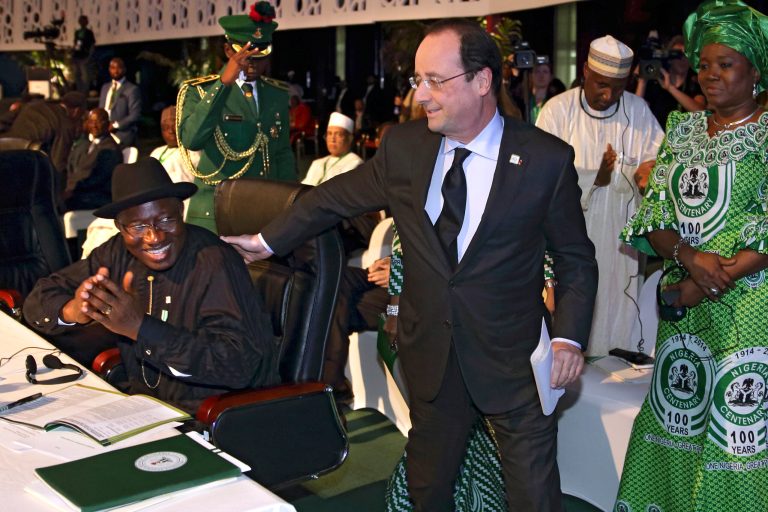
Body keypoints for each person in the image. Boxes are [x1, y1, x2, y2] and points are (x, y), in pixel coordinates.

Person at [223, 18, 597, 511]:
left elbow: (576, 259)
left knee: (532, 491)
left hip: (512, 358)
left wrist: (569, 338)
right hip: (432, 355)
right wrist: (269, 240)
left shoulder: (545, 159)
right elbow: (332, 199)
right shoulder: (405, 148)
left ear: (482, 80)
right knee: (428, 486)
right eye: (417, 80)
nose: (421, 95)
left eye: (434, 81)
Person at [616, 1, 768, 510]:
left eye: (726, 64)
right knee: (674, 422)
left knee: (736, 434)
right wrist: (689, 258)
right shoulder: (681, 130)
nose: (710, 74)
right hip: (686, 308)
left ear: (756, 69)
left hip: (748, 312)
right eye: (704, 63)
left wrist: (705, 278)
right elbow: (654, 215)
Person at [23, 158, 277, 414]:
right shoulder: (115, 254)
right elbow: (39, 299)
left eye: (166, 220)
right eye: (138, 226)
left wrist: (139, 327)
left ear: (181, 211)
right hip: (142, 408)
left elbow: (239, 365)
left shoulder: (215, 262)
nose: (154, 237)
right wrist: (74, 311)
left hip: (211, 417)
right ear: (121, 228)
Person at [536, 35, 665, 356]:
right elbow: (540, 179)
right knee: (575, 306)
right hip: (571, 238)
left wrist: (646, 174)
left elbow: (660, 163)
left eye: (618, 88)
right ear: (585, 73)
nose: (609, 95)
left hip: (621, 241)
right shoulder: (558, 111)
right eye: (601, 86)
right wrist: (597, 177)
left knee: (619, 309)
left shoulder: (638, 111)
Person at [176, 1, 296, 233]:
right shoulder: (200, 91)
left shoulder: (277, 94)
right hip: (216, 213)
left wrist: (289, 202)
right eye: (246, 53)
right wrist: (222, 85)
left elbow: (282, 152)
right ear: (229, 51)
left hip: (265, 212)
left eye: (260, 55)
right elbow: (192, 139)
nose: (253, 62)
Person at [6, 91, 86, 175]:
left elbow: (5, 121)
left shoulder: (34, 105)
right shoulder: (66, 125)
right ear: (77, 111)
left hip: (5, 152)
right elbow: (58, 162)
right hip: (25, 163)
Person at [635, 34, 707, 126]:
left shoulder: (695, 84)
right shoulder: (656, 82)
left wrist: (670, 88)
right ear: (669, 58)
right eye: (677, 55)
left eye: (687, 55)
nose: (683, 59)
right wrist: (642, 82)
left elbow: (701, 114)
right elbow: (636, 114)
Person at [62, 108, 121, 211]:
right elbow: (70, 165)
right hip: (78, 190)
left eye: (98, 121)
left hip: (97, 195)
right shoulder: (85, 145)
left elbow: (99, 178)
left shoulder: (110, 149)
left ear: (107, 124)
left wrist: (73, 189)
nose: (94, 125)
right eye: (91, 121)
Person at [302, 112, 362, 186]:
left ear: (350, 138)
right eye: (329, 134)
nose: (332, 139)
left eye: (338, 134)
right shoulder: (317, 163)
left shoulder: (355, 163)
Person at [98, 57, 142, 147]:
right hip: (103, 133)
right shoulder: (105, 88)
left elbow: (135, 115)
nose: (116, 71)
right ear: (109, 69)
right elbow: (100, 110)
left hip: (122, 135)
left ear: (124, 69)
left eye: (119, 68)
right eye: (113, 68)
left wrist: (115, 125)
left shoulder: (132, 89)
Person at [72, 15, 95, 94]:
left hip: (85, 56)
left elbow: (92, 45)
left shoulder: (89, 33)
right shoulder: (77, 32)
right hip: (77, 56)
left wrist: (89, 57)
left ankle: (84, 92)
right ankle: (79, 91)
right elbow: (76, 44)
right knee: (77, 75)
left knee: (85, 76)